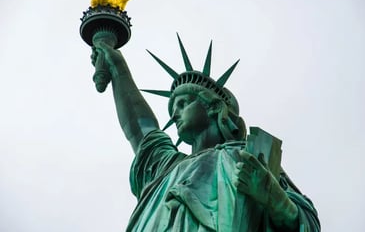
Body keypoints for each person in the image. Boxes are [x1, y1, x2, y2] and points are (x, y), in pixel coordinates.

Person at [90, 34, 320, 231]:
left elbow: (306, 223)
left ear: (212, 106)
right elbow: (140, 129)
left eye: (183, 104)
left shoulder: (247, 158)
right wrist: (116, 66)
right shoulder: (167, 167)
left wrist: (272, 195)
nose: (174, 115)